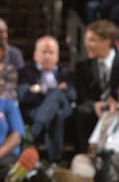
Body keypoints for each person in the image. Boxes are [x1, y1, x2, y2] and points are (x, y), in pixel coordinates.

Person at [73, 19, 119, 153]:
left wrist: (118, 104)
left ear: (107, 41)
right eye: (87, 40)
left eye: (92, 40)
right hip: (93, 111)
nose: (87, 45)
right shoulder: (81, 67)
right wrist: (94, 105)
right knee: (82, 112)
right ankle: (85, 155)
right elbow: (81, 95)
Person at [17, 36, 76, 165]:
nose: (48, 56)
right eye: (44, 52)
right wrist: (55, 91)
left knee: (57, 95)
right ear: (35, 55)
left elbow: (72, 95)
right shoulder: (25, 73)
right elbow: (23, 96)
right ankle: (55, 161)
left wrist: (43, 90)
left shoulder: (66, 74)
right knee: (56, 112)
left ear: (57, 56)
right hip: (35, 110)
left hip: (63, 110)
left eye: (51, 53)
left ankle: (34, 132)